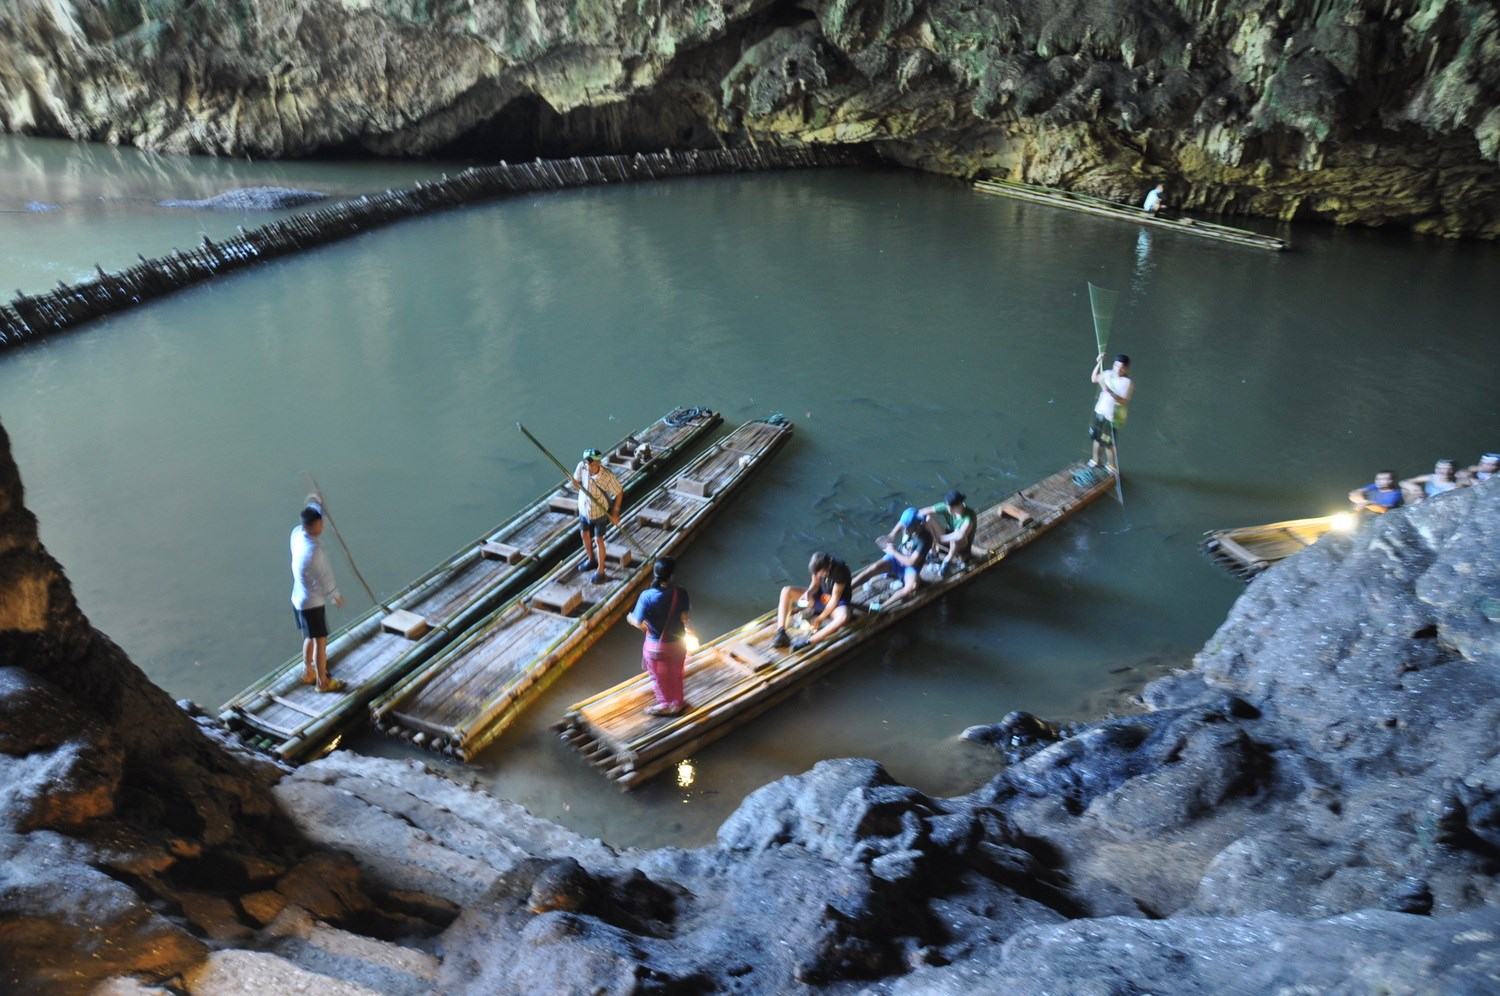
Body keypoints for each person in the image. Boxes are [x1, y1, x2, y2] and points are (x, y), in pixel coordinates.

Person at [626, 557, 692, 717]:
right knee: (677, 674)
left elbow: (637, 621)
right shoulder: (680, 592)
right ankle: (678, 703)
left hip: (656, 648)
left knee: (658, 678)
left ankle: (664, 704)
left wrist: (630, 617)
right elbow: (684, 618)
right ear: (671, 576)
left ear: (655, 574)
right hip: (678, 644)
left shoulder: (646, 596)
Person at [291, 502, 345, 692]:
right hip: (312, 603)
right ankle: (322, 681)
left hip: (297, 598)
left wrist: (314, 502)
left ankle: (307, 672)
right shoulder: (315, 552)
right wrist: (335, 596)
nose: (322, 526)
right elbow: (326, 577)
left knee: (309, 637)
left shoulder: (296, 535)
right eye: (320, 523)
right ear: (314, 526)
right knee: (320, 641)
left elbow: (302, 522)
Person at [852, 507, 933, 610]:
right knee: (873, 568)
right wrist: (887, 541)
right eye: (905, 527)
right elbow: (891, 536)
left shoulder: (925, 539)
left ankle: (881, 607)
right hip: (896, 558)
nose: (906, 530)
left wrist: (893, 552)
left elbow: (911, 562)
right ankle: (846, 590)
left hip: (910, 567)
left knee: (912, 587)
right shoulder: (904, 524)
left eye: (909, 528)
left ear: (917, 525)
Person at [772, 551, 853, 651]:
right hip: (820, 597)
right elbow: (815, 584)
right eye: (817, 573)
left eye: (822, 573)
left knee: (844, 617)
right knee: (786, 591)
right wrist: (808, 593)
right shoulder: (817, 567)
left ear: (828, 567)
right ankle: (781, 632)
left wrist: (820, 618)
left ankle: (808, 642)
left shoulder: (840, 570)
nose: (820, 575)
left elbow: (835, 599)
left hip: (836, 604)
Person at [572, 447, 623, 585]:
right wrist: (574, 483)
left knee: (599, 540)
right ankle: (591, 560)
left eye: (594, 463)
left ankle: (601, 571)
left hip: (599, 513)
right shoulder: (582, 467)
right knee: (584, 534)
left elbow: (619, 492)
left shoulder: (607, 476)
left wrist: (615, 513)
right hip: (584, 509)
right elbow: (576, 484)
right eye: (589, 464)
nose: (590, 466)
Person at [1089, 353, 1133, 473]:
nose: (1118, 369)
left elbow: (1121, 400)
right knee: (1097, 438)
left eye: (1122, 367)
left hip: (1112, 417)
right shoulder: (1108, 374)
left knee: (1108, 443)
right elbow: (1094, 379)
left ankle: (1111, 466)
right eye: (1116, 365)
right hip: (1101, 411)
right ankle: (1095, 460)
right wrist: (1099, 363)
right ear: (1113, 365)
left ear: (1126, 368)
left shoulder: (1127, 383)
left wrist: (1107, 389)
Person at [922, 490, 978, 574]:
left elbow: (961, 535)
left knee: (957, 534)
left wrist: (940, 539)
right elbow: (921, 512)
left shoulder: (969, 515)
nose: (948, 509)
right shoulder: (946, 507)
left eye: (951, 507)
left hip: (962, 545)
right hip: (947, 538)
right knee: (927, 519)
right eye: (948, 506)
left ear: (959, 505)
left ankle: (947, 561)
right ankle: (933, 553)